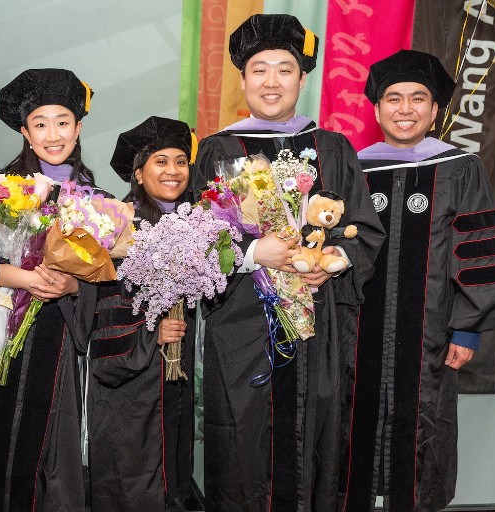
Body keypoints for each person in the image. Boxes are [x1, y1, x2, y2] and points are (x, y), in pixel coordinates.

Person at [188, 14, 385, 512]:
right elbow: (193, 239)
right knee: (242, 434)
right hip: (241, 326)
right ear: (243, 79)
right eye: (259, 69)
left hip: (317, 323)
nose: (271, 82)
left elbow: (364, 226)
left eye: (284, 69)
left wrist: (333, 259)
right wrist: (256, 253)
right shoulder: (217, 150)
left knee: (314, 429)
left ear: (303, 78)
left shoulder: (332, 147)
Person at [340, 49, 495, 512]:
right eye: (394, 98)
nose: (405, 109)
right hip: (356, 333)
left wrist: (467, 327)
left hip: (432, 332)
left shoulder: (459, 168)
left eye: (418, 98)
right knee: (351, 426)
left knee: (424, 425)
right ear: (376, 108)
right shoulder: (353, 169)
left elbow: (477, 249)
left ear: (436, 110)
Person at [0, 68, 99, 511]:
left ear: (78, 127)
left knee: (54, 463)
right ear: (24, 131)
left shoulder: (99, 201)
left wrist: (74, 282)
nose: (52, 134)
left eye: (63, 122)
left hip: (63, 355)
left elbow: (112, 285)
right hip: (1, 345)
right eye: (40, 123)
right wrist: (24, 278)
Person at [87, 116, 197, 511]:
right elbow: (102, 310)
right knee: (131, 476)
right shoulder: (116, 224)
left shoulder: (201, 222)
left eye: (181, 161)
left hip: (175, 379)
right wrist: (150, 333)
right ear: (138, 172)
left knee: (174, 474)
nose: (173, 171)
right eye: (161, 161)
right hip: (131, 384)